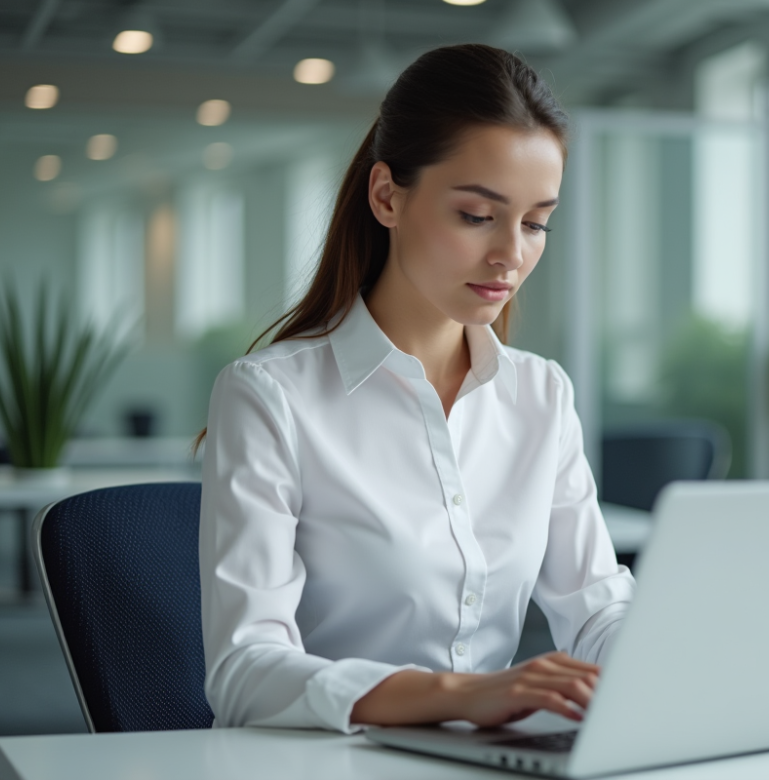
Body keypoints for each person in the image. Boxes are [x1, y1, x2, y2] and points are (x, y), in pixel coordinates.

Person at [196, 43, 635, 734]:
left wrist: (674, 663)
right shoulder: (270, 397)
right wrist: (460, 694)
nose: (511, 255)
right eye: (475, 215)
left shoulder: (540, 395)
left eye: (536, 221)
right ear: (386, 196)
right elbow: (245, 670)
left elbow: (597, 605)